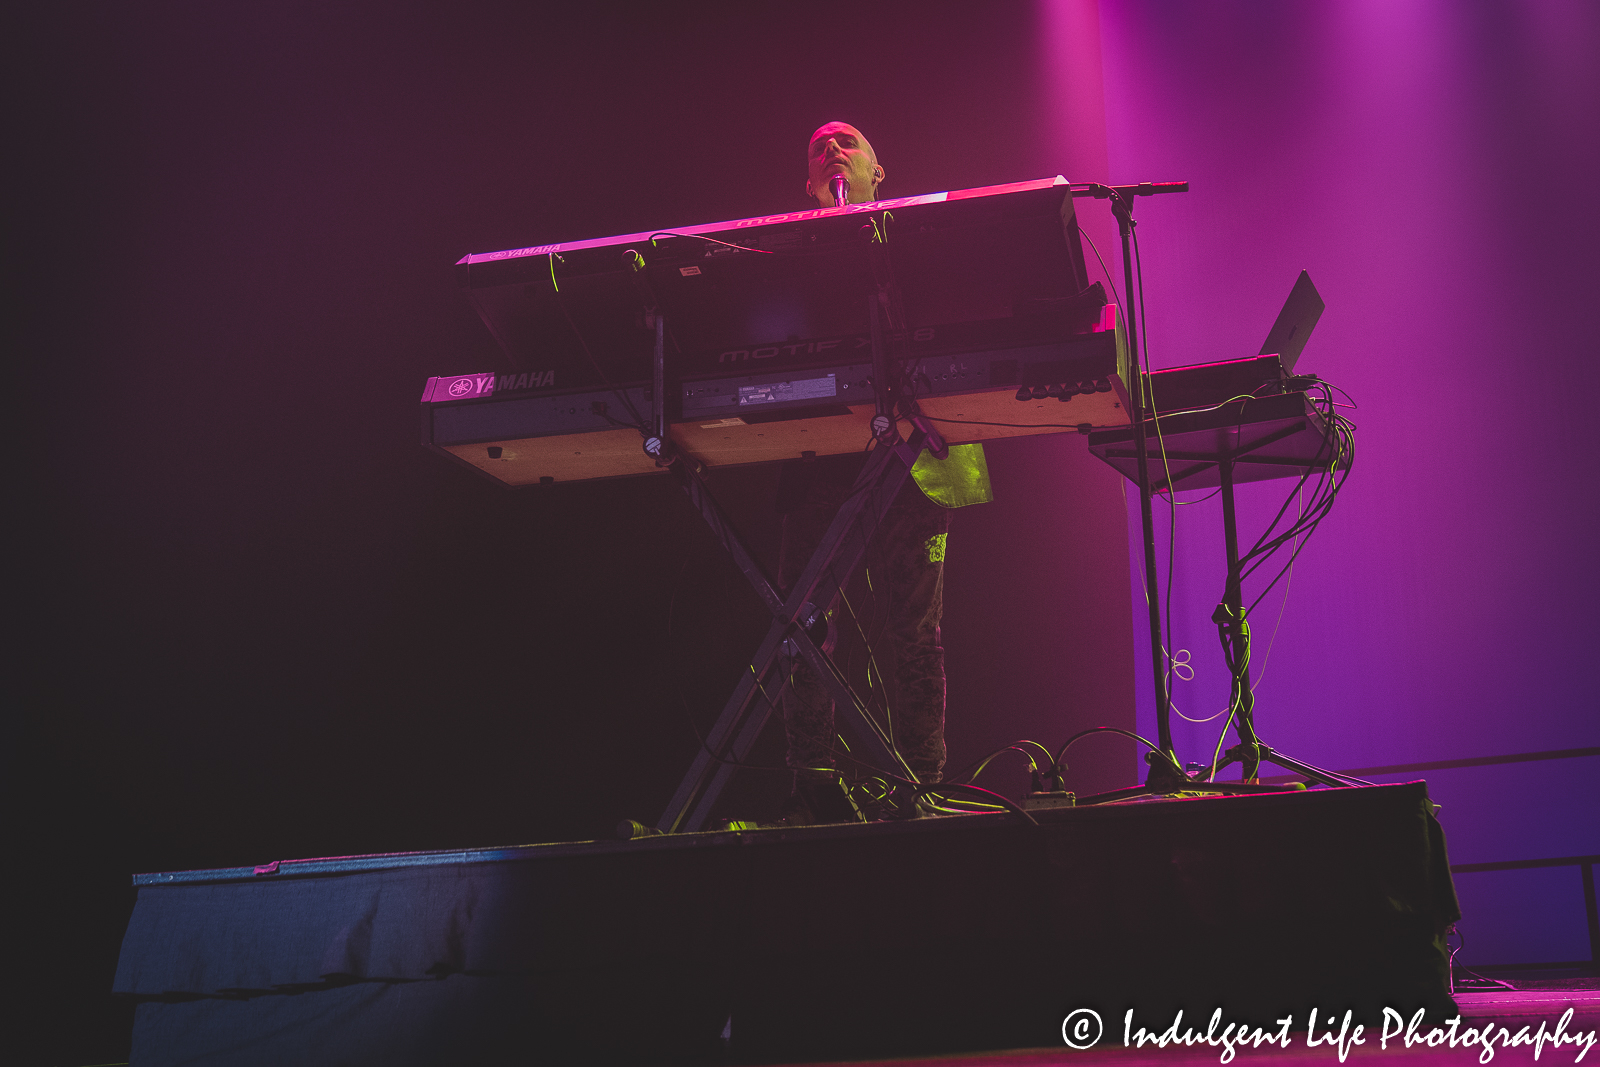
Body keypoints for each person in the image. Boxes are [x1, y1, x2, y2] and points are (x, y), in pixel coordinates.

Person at [776, 122, 992, 823]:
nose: (833, 149)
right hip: (822, 465)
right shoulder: (785, 254)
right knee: (804, 624)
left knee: (914, 632)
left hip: (914, 462)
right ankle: (813, 783)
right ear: (809, 186)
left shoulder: (918, 243)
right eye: (819, 148)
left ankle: (920, 787)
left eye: (847, 142)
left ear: (878, 170)